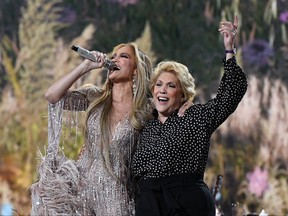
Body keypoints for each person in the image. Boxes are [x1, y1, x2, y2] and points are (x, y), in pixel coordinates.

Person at [131, 15, 248, 216]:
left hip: (187, 204)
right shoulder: (146, 122)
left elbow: (230, 94)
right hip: (149, 205)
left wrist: (229, 50)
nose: (162, 90)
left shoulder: (195, 117)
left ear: (182, 94)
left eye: (171, 86)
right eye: (158, 85)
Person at [30, 42, 153, 215]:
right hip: (81, 191)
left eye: (123, 56)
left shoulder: (147, 109)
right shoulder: (95, 98)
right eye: (113, 56)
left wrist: (186, 104)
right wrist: (86, 66)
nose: (114, 59)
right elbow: (52, 96)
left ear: (136, 70)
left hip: (117, 196)